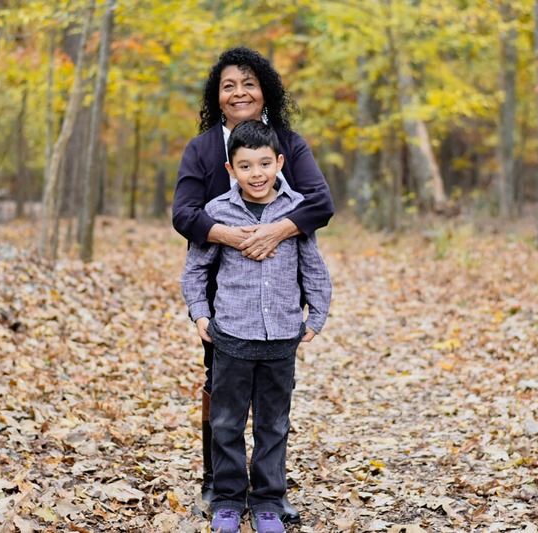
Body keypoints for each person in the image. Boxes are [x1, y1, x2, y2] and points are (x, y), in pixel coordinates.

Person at [172, 46, 334, 524]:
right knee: (219, 389)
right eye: (229, 86)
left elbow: (320, 203)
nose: (239, 93)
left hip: (278, 295)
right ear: (217, 96)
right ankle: (218, 484)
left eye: (249, 84)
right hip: (224, 290)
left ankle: (269, 494)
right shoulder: (202, 149)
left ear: (265, 91)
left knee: (271, 406)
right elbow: (184, 214)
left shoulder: (288, 143)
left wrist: (275, 231)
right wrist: (232, 237)